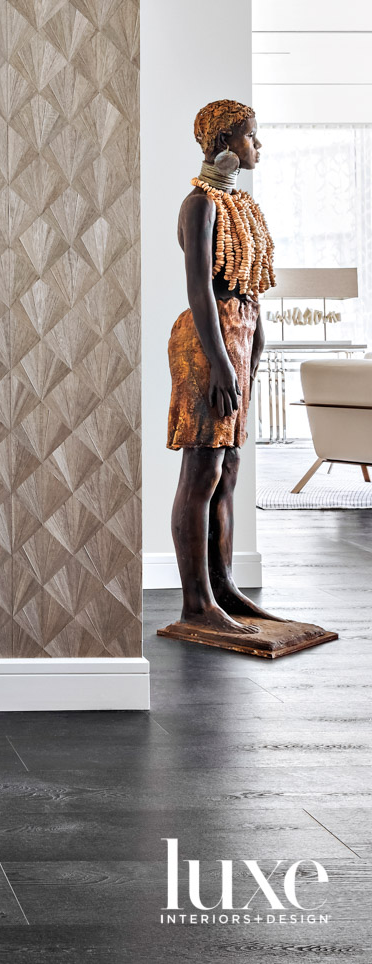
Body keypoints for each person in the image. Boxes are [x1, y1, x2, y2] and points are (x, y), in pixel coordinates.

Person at [167, 99, 284, 634]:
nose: (257, 146)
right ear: (224, 144)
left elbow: (248, 284)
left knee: (230, 468)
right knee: (203, 468)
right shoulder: (199, 205)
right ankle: (196, 604)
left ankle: (226, 588)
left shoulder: (240, 204)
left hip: (238, 339)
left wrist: (253, 347)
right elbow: (200, 291)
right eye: (251, 137)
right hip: (207, 345)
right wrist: (220, 364)